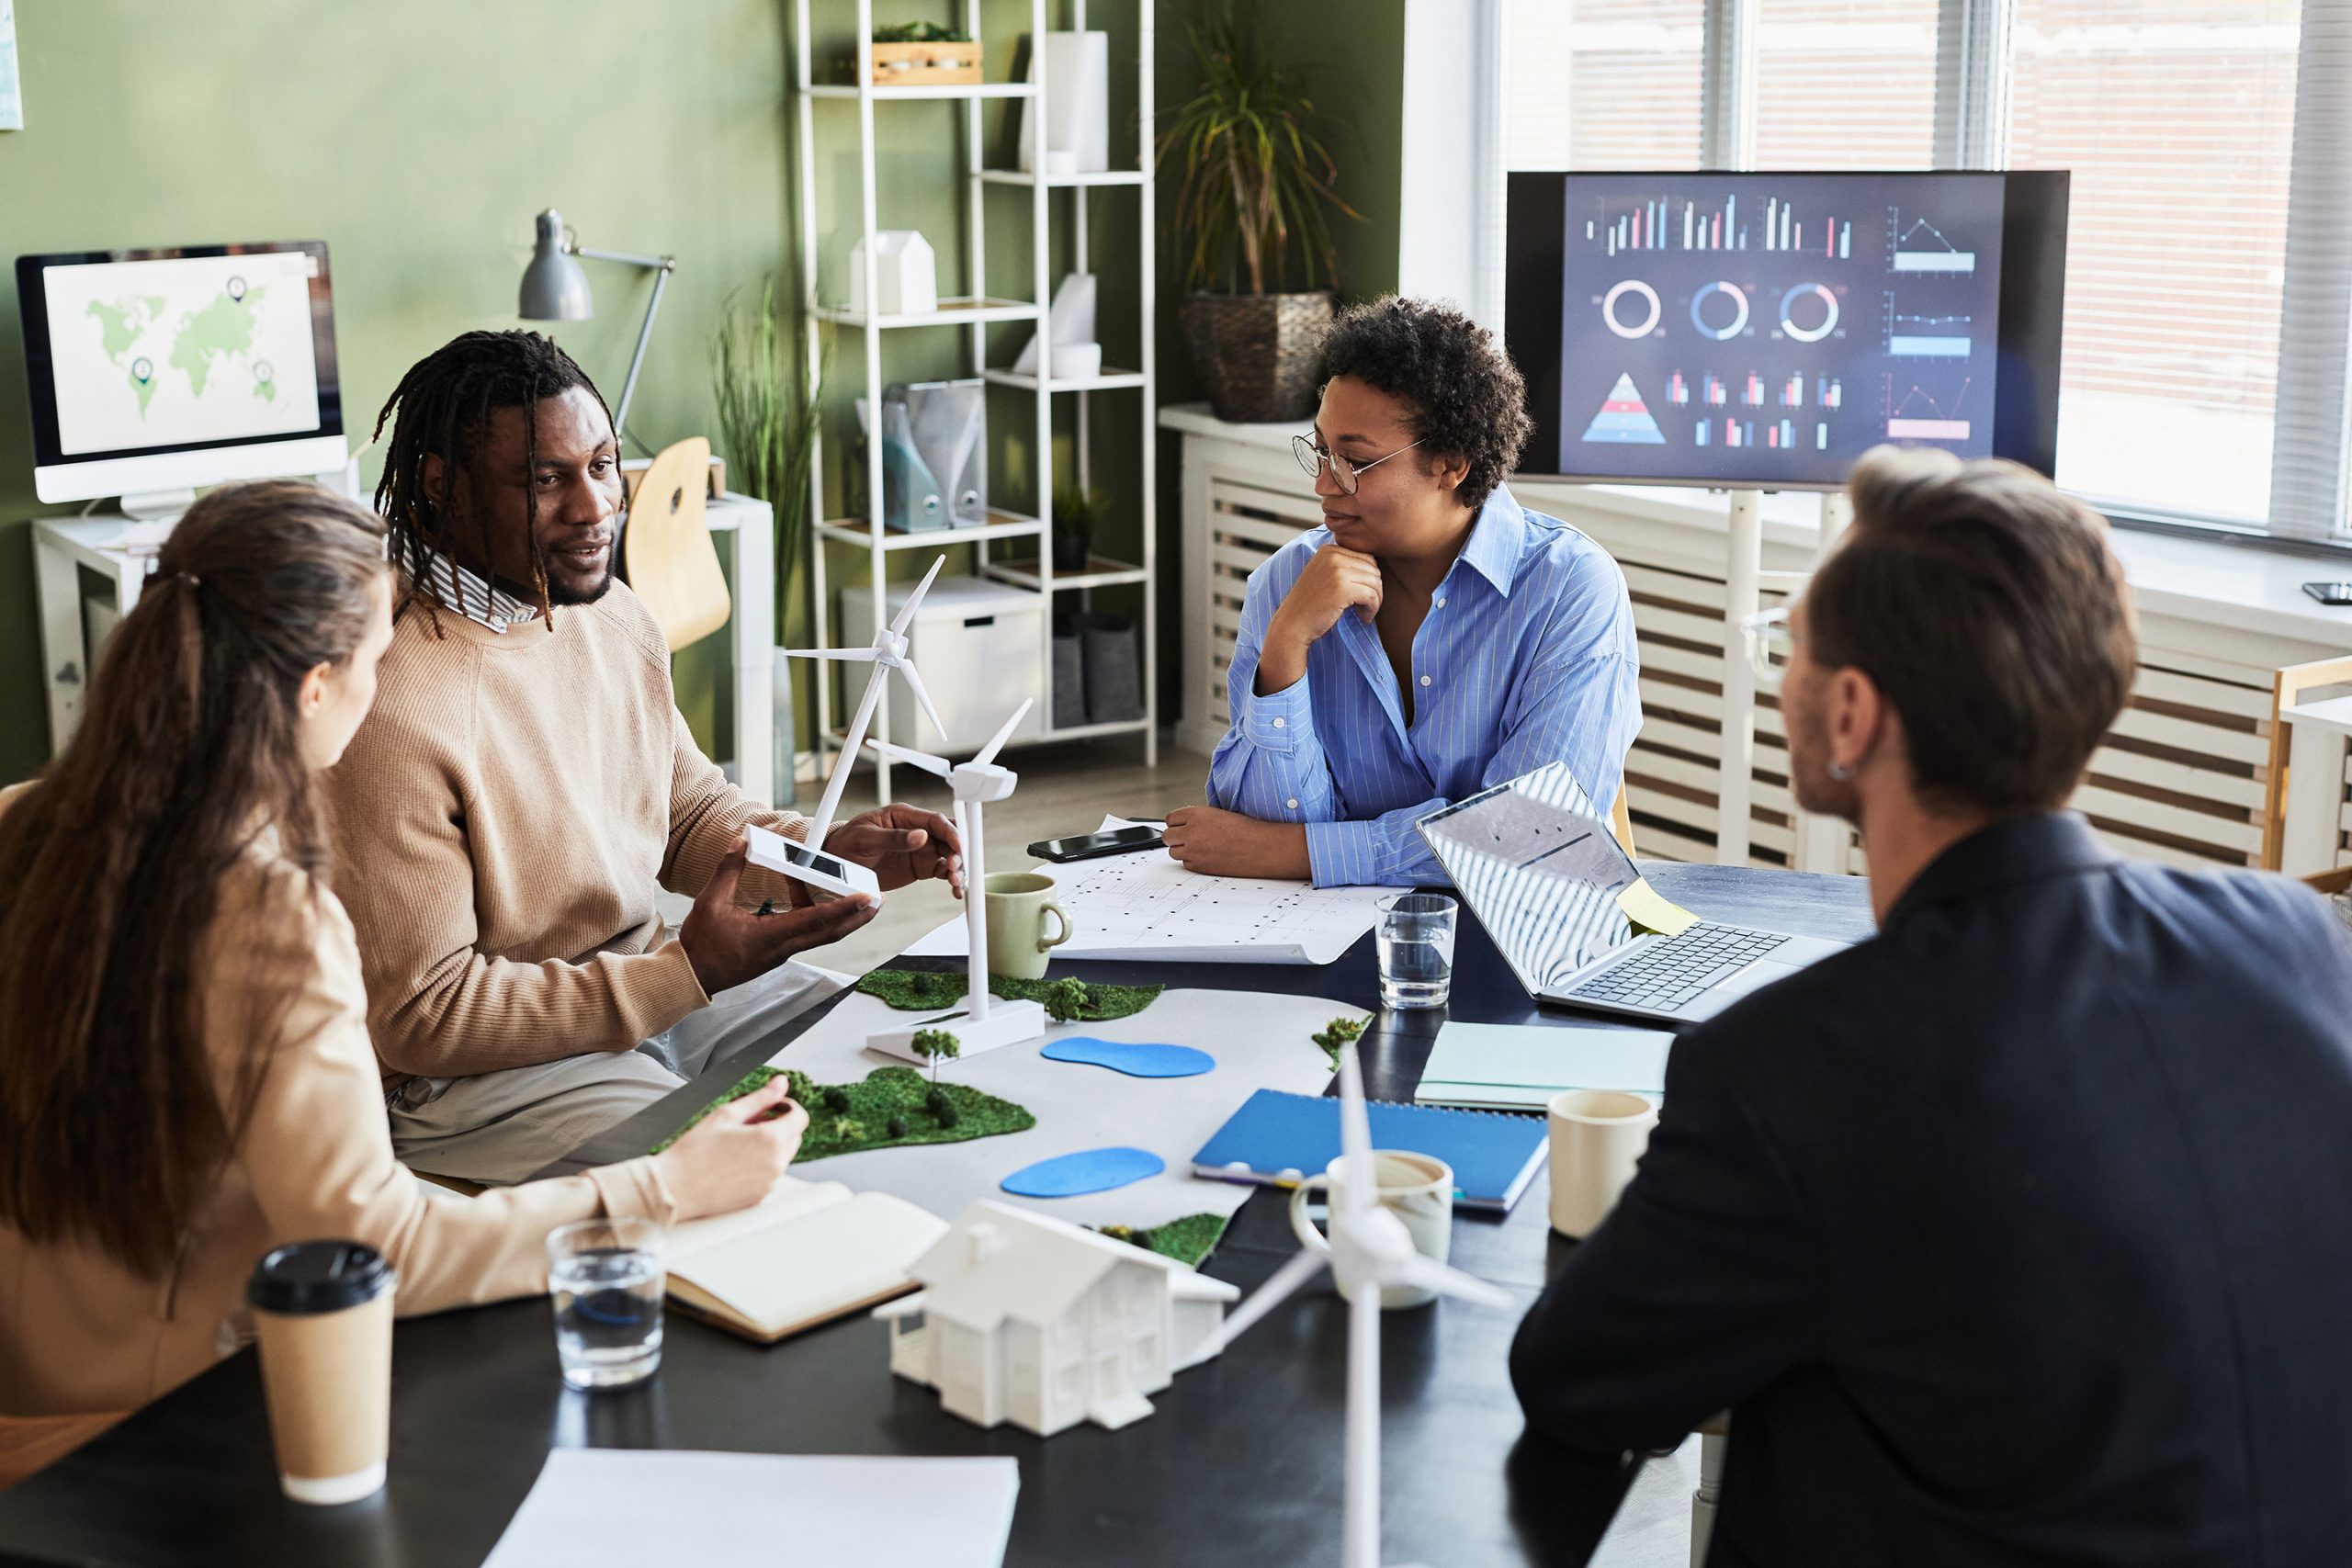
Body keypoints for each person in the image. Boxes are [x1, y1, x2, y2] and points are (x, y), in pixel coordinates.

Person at [1510, 447, 2352, 1563]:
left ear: (1850, 716)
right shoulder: (2298, 939)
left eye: (1789, 650)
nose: (1782, 679)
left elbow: (1578, 1378)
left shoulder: (1794, 1065)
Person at [0, 482, 811, 1475]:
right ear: (313, 686)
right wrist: (664, 1186)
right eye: (379, 660)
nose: (385, 689)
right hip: (198, 1436)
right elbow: (377, 1244)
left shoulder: (22, 824)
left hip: (33, 1394)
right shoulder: (268, 923)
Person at [324, 332, 960, 1185]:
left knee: (898, 1067)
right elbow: (423, 1015)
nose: (594, 508)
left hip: (651, 992)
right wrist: (683, 973)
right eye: (546, 479)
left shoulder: (612, 615)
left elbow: (689, 813)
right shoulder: (393, 703)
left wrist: (821, 855)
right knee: (744, 1178)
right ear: (443, 486)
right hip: (472, 1078)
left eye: (602, 465)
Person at [1165, 296, 1640, 887]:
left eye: (1354, 461)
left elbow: (1534, 838)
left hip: (1514, 948)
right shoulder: (1288, 583)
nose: (1322, 484)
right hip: (1323, 936)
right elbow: (1254, 826)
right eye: (1320, 450)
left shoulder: (1570, 589)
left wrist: (1298, 854)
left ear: (1451, 465)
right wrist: (1285, 649)